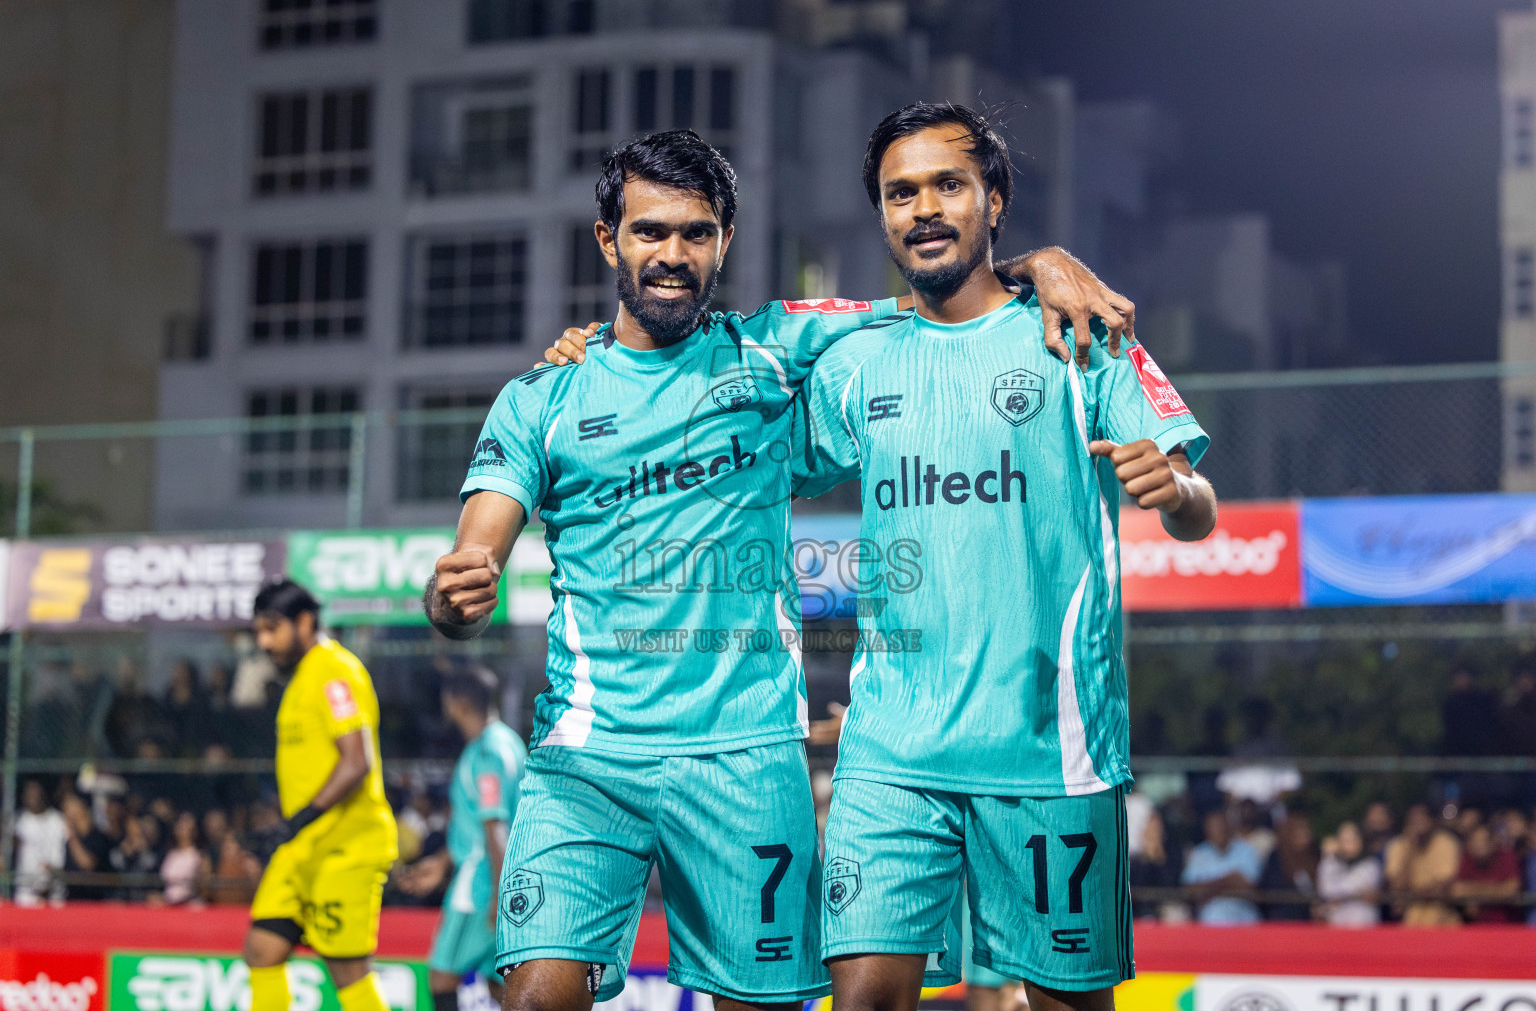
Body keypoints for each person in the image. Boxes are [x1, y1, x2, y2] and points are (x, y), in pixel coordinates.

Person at [428, 126, 1133, 1011]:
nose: (672, 254)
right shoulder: (542, 397)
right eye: (649, 232)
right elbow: (471, 559)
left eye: (695, 232)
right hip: (587, 758)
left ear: (725, 240)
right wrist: (460, 589)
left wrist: (1039, 262)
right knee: (534, 998)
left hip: (748, 757)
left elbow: (945, 291)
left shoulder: (777, 348)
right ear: (609, 240)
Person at [792, 102, 1214, 1011]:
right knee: (861, 997)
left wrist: (1174, 491)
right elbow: (746, 426)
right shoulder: (859, 360)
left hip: (1049, 749)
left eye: (949, 183)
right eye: (901, 193)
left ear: (995, 198)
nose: (925, 208)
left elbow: (1199, 510)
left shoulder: (1080, 332)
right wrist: (600, 353)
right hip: (891, 747)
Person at [242, 579, 399, 1011]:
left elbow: (356, 761)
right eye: (259, 631)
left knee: (348, 971)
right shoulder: (300, 679)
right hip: (302, 846)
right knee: (262, 950)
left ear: (305, 621)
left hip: (346, 846)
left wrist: (297, 820)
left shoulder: (334, 671)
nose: (264, 641)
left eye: (272, 628)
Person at [398, 668, 526, 1011]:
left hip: (481, 886)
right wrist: (441, 863)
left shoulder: (486, 754)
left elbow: (494, 826)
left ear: (457, 702)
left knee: (441, 976)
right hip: (500, 878)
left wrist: (500, 897)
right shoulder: (509, 742)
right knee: (499, 983)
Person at [1383, 803, 1461, 926]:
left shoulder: (1447, 843)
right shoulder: (1398, 846)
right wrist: (1409, 848)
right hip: (1410, 916)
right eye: (1414, 819)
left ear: (1432, 820)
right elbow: (1397, 885)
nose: (1418, 822)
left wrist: (1417, 892)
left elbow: (1444, 883)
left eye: (1422, 817)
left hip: (1441, 915)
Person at [1181, 811, 1262, 925]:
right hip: (1210, 925)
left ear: (1229, 827)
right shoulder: (1199, 854)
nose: (1219, 830)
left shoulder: (1246, 850)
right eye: (1214, 827)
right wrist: (1231, 879)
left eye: (1221, 825)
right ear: (1207, 831)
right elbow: (1191, 891)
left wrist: (1208, 887)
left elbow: (1249, 885)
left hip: (1244, 923)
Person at [1450, 823, 1520, 923]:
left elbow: (1511, 890)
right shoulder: (1467, 858)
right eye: (1474, 841)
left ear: (1493, 842)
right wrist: (1497, 889)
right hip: (1476, 927)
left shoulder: (1507, 856)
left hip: (1507, 927)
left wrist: (1472, 894)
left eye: (1482, 841)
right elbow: (1457, 890)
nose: (1478, 845)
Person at [13, 779, 67, 905]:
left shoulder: (58, 820)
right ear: (23, 797)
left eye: (37, 794)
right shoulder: (18, 821)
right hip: (25, 895)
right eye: (30, 794)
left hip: (55, 893)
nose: (34, 798)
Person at [1317, 821, 1381, 926]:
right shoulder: (1334, 863)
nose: (1346, 845)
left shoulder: (1370, 865)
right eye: (1343, 840)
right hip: (1338, 928)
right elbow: (1325, 890)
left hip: (1363, 928)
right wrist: (1330, 857)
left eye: (1351, 840)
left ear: (1361, 840)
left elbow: (1343, 890)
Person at [1258, 814, 1318, 921]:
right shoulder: (1277, 858)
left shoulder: (1314, 856)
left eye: (1306, 835)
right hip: (1280, 920)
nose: (1304, 840)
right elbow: (1269, 888)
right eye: (1298, 836)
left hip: (1307, 922)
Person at [61, 792, 113, 901]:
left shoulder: (99, 837)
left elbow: (88, 864)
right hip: (71, 901)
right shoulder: (69, 841)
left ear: (82, 808)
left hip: (94, 904)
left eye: (70, 806)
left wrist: (72, 836)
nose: (66, 812)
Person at [160, 811, 209, 906]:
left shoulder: (198, 855)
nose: (182, 829)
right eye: (180, 825)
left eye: (186, 826)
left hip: (189, 903)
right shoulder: (171, 853)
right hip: (168, 902)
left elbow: (205, 885)